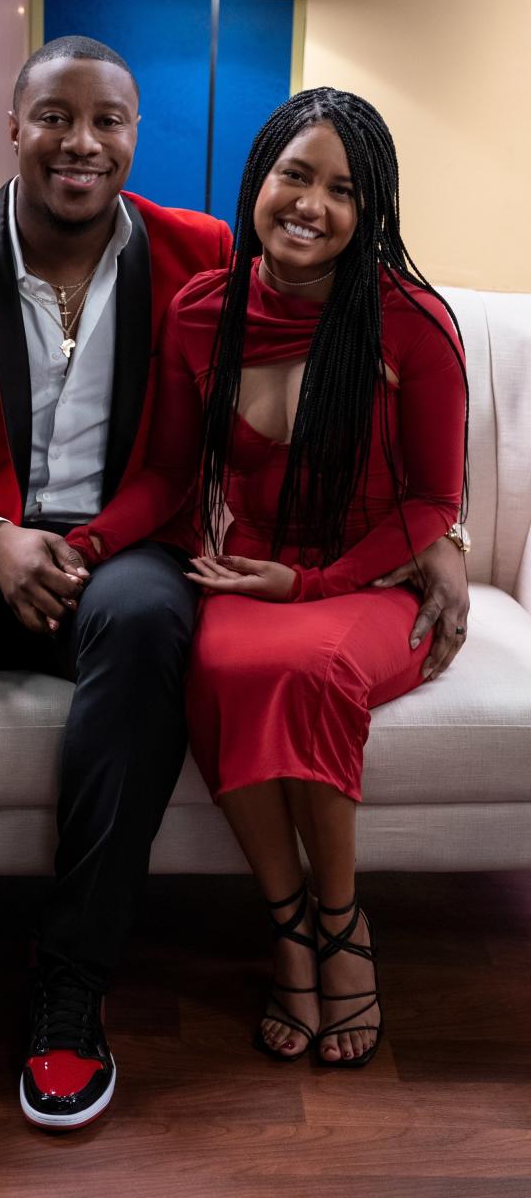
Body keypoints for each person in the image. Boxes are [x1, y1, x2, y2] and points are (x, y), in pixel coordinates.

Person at [0, 47, 467, 1157]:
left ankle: (73, 983)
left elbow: (338, 374)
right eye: (55, 116)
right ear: (14, 125)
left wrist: (448, 533)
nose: (82, 143)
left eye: (108, 121)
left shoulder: (202, 256)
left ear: (135, 136)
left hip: (120, 551)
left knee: (156, 620)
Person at [66, 87, 469, 1071]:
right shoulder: (203, 313)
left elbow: (430, 502)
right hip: (246, 575)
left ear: (370, 211)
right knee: (217, 671)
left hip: (365, 584)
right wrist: (88, 546)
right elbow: (165, 471)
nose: (312, 204)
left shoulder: (415, 325)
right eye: (297, 175)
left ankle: (342, 926)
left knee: (311, 669)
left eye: (343, 189)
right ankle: (290, 929)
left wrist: (314, 584)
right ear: (260, 180)